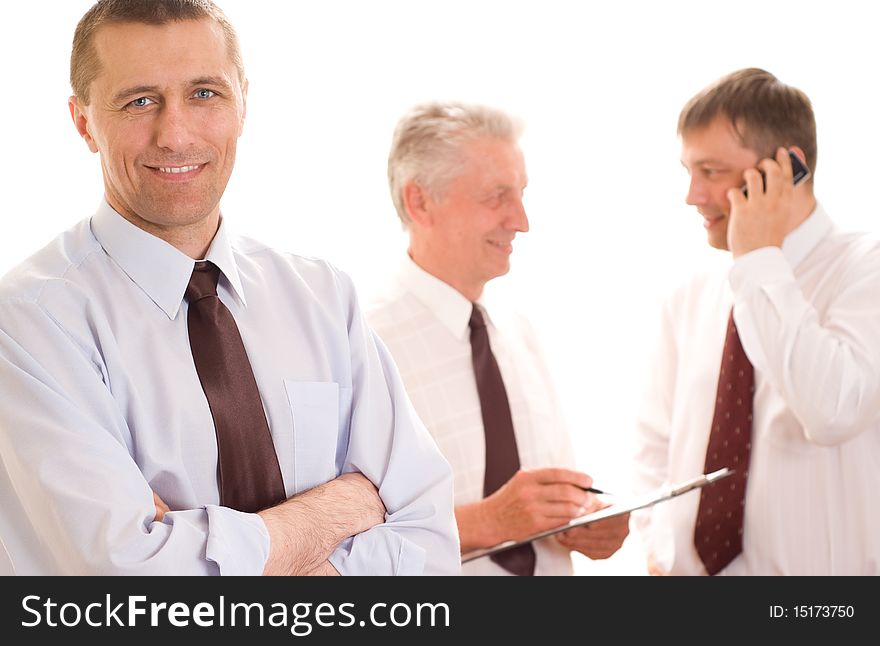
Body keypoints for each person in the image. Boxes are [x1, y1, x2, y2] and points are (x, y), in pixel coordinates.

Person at [0, 0, 459, 576]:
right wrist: (343, 505)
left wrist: (199, 549)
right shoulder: (29, 323)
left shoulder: (323, 296)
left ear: (244, 101)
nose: (176, 134)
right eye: (139, 101)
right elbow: (134, 582)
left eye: (204, 94)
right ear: (83, 120)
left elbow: (431, 544)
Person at [633, 68, 880, 575]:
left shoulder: (865, 272)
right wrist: (660, 552)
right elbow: (654, 445)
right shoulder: (689, 295)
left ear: (788, 167)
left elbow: (832, 410)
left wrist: (760, 257)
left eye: (712, 171)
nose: (692, 195)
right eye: (688, 170)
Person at [367, 102, 629, 576]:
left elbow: (552, 491)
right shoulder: (363, 346)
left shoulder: (518, 330)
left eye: (522, 194)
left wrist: (591, 518)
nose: (522, 220)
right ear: (420, 202)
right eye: (497, 196)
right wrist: (488, 521)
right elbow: (344, 543)